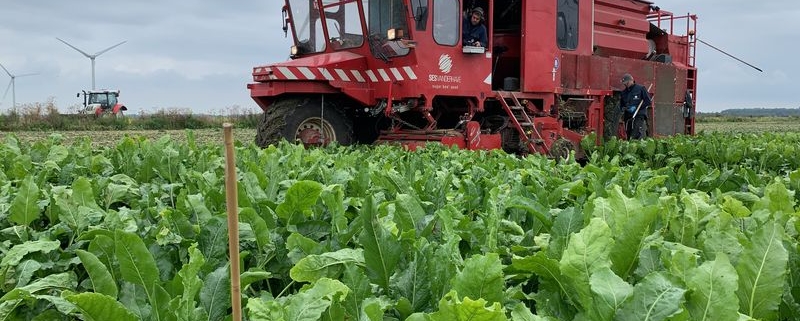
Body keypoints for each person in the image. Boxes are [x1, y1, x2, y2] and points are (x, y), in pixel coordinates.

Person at [619, 73, 652, 139]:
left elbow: (648, 101)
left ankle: (635, 145)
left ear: (632, 80)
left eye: (627, 83)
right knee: (628, 133)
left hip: (639, 114)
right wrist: (623, 108)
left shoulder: (640, 89)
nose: (625, 84)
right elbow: (622, 104)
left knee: (635, 133)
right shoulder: (623, 93)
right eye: (624, 83)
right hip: (628, 116)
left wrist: (636, 107)